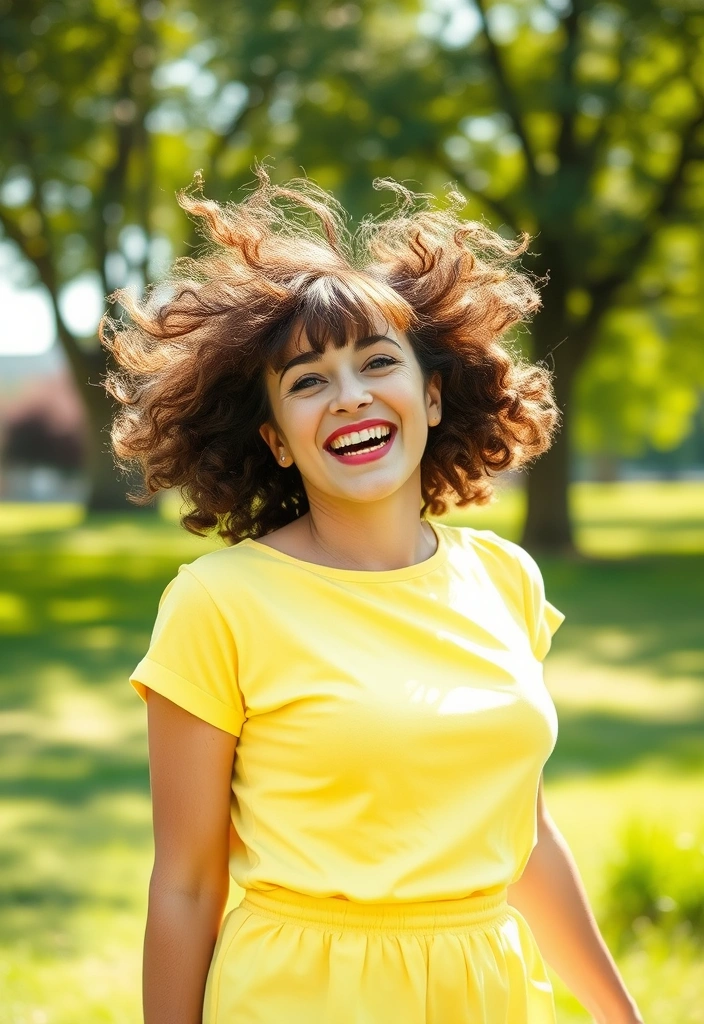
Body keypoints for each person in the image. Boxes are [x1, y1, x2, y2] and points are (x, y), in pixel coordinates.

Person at [100, 169, 644, 1024]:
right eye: (308, 379)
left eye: (378, 362)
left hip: (486, 995)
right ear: (278, 440)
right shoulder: (219, 603)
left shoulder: (507, 579)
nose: (350, 395)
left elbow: (523, 838)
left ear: (429, 395)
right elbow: (186, 884)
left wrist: (623, 1016)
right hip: (301, 998)